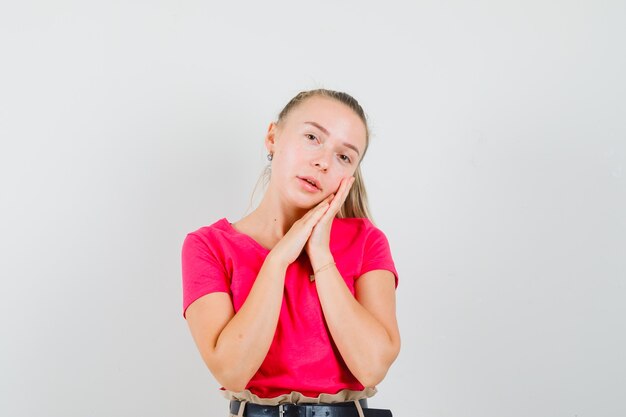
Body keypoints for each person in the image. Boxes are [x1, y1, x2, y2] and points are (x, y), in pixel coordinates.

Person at [181, 89, 400, 417]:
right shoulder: (209, 246)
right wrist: (279, 258)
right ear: (273, 138)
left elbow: (372, 367)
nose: (323, 162)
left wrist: (321, 255)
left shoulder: (367, 241)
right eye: (313, 137)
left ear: (350, 177)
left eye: (344, 156)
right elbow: (232, 370)